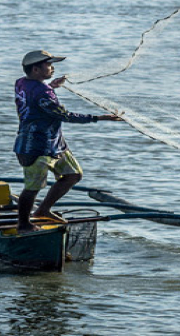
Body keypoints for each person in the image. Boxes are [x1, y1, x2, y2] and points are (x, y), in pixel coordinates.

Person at [13, 50, 122, 233]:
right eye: (48, 65)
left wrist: (51, 86)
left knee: (73, 175)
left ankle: (43, 210)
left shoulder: (22, 83)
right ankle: (23, 224)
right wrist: (100, 118)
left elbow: (36, 95)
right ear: (36, 69)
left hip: (54, 144)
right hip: (35, 147)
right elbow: (65, 116)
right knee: (32, 188)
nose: (52, 68)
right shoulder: (43, 93)